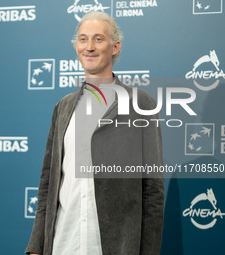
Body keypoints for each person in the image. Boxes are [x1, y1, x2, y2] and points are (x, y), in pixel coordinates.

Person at [25, 11, 164, 255]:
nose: (89, 47)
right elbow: (47, 185)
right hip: (62, 244)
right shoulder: (63, 107)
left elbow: (152, 191)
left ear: (115, 46)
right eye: (82, 39)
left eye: (98, 39)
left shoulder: (140, 104)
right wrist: (37, 245)